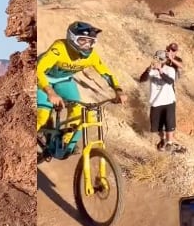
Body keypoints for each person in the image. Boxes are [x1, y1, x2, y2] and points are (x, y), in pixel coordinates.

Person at [36, 21, 126, 153]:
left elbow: (106, 73)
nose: (87, 45)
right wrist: (50, 92)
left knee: (80, 114)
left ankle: (66, 145)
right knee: (42, 116)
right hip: (42, 80)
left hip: (64, 80)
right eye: (83, 40)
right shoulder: (59, 49)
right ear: (71, 38)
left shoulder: (92, 57)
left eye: (91, 41)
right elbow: (38, 71)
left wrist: (118, 90)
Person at [139, 45, 178, 151]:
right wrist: (148, 70)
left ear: (164, 60)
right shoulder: (151, 70)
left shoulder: (170, 70)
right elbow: (142, 80)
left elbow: (170, 81)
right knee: (158, 127)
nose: (158, 60)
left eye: (161, 59)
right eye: (157, 58)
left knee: (169, 124)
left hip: (168, 101)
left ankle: (170, 142)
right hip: (155, 102)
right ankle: (163, 139)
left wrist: (160, 71)